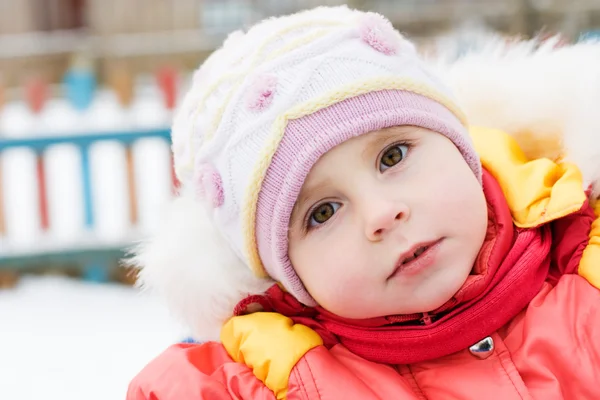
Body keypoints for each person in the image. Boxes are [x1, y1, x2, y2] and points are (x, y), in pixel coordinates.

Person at [126, 6, 600, 399]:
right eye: (322, 212)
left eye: (393, 156)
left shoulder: (589, 271)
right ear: (288, 276)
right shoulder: (277, 380)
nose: (381, 214)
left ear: (462, 149)